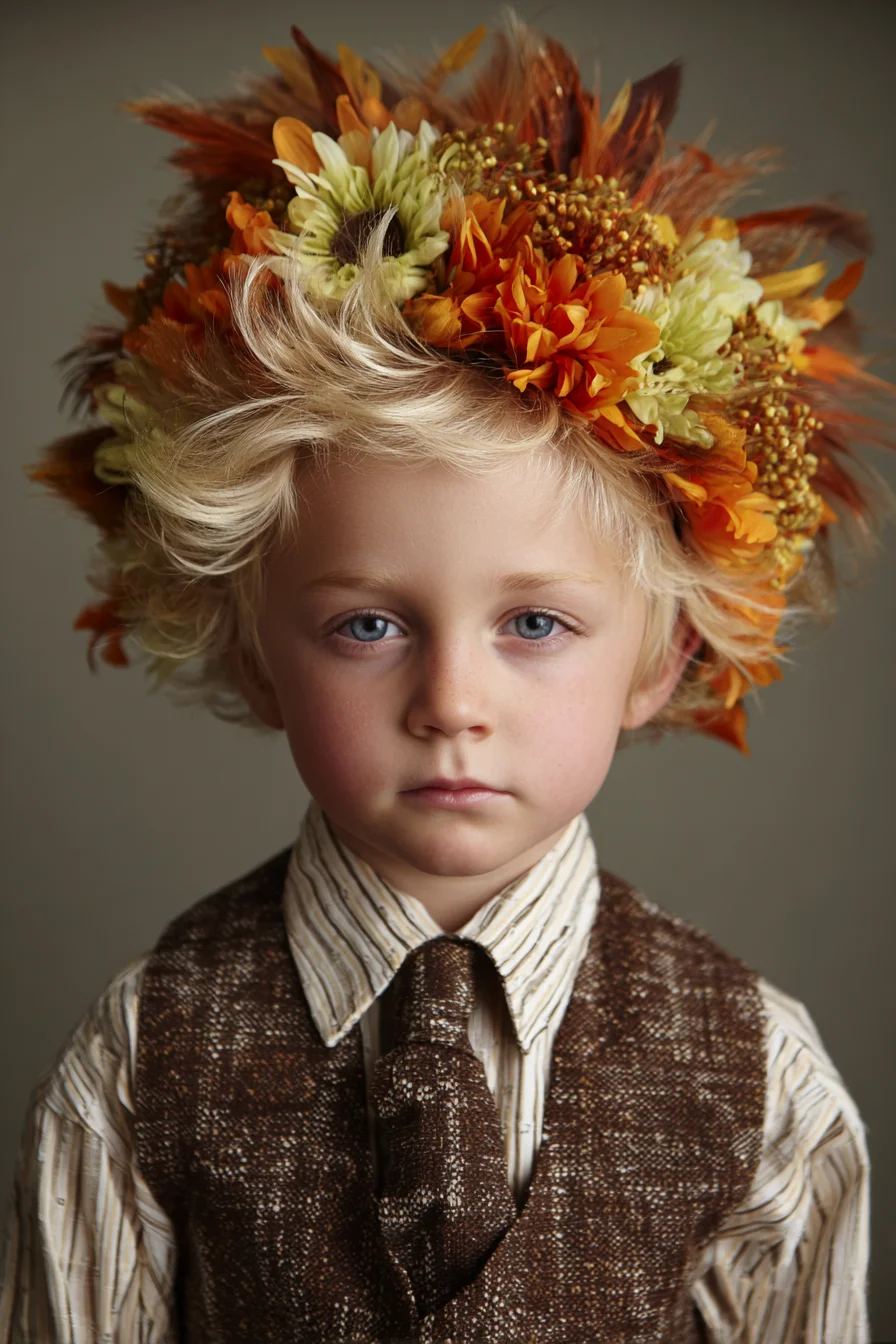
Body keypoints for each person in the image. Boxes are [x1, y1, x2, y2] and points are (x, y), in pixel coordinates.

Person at [1, 12, 888, 1342]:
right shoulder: (138, 1060)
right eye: (369, 627)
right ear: (254, 649)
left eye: (535, 625)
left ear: (666, 656)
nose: (451, 701)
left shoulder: (765, 1078)